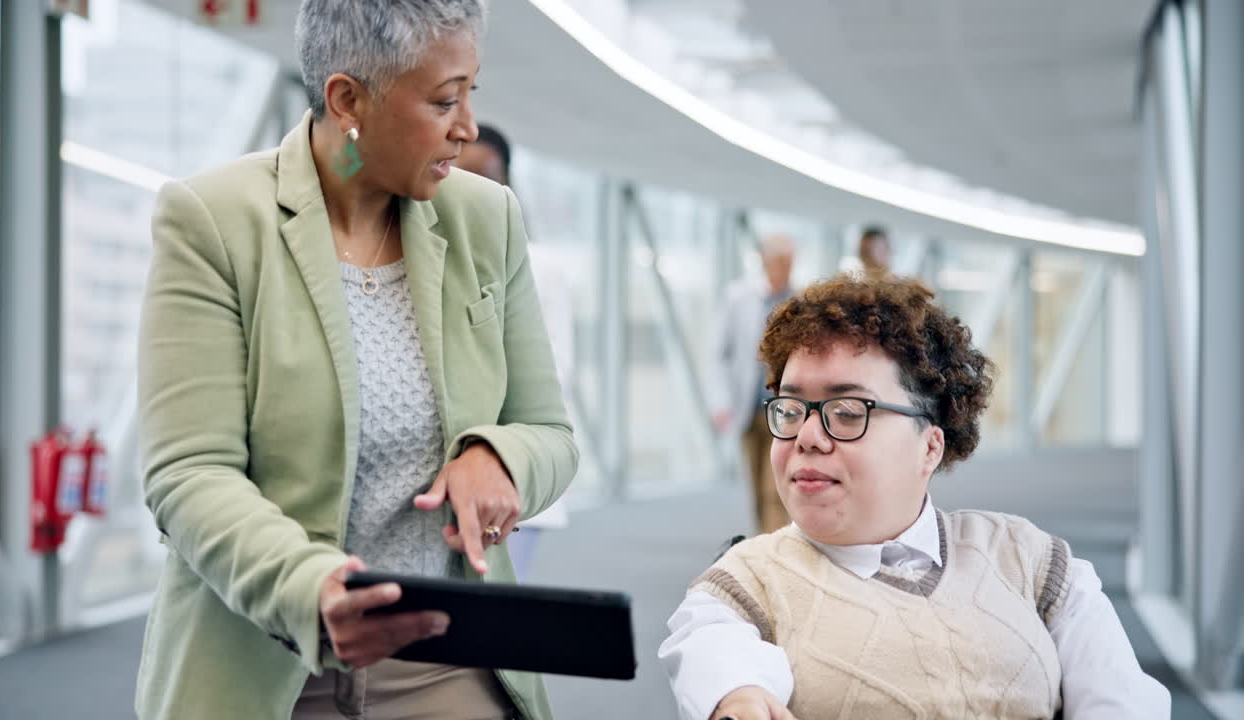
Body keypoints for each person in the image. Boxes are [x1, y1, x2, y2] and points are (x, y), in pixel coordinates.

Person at [135, 2, 578, 719]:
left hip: (448, 661)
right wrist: (310, 588)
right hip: (267, 661)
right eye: (443, 100)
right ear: (347, 100)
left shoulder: (486, 219)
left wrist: (498, 456)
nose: (467, 127)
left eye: (471, 94)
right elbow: (188, 473)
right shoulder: (212, 222)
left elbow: (550, 434)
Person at [660, 275, 1170, 720]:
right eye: (791, 407)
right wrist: (738, 697)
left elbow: (1122, 701)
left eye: (846, 410)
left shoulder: (1034, 564)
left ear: (929, 446)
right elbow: (714, 654)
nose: (807, 436)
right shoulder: (746, 584)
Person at [456, 123, 574, 579]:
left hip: (512, 463)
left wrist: (504, 450)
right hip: (450, 474)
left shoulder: (540, 267)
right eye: (463, 174)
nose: (476, 190)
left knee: (500, 602)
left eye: (489, 176)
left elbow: (558, 368)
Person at [709, 234, 795, 535]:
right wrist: (720, 403)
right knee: (758, 488)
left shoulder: (797, 301)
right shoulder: (739, 297)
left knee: (776, 488)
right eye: (781, 262)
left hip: (784, 410)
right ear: (765, 262)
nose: (786, 269)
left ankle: (774, 545)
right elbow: (719, 353)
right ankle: (765, 543)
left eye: (790, 262)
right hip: (747, 407)